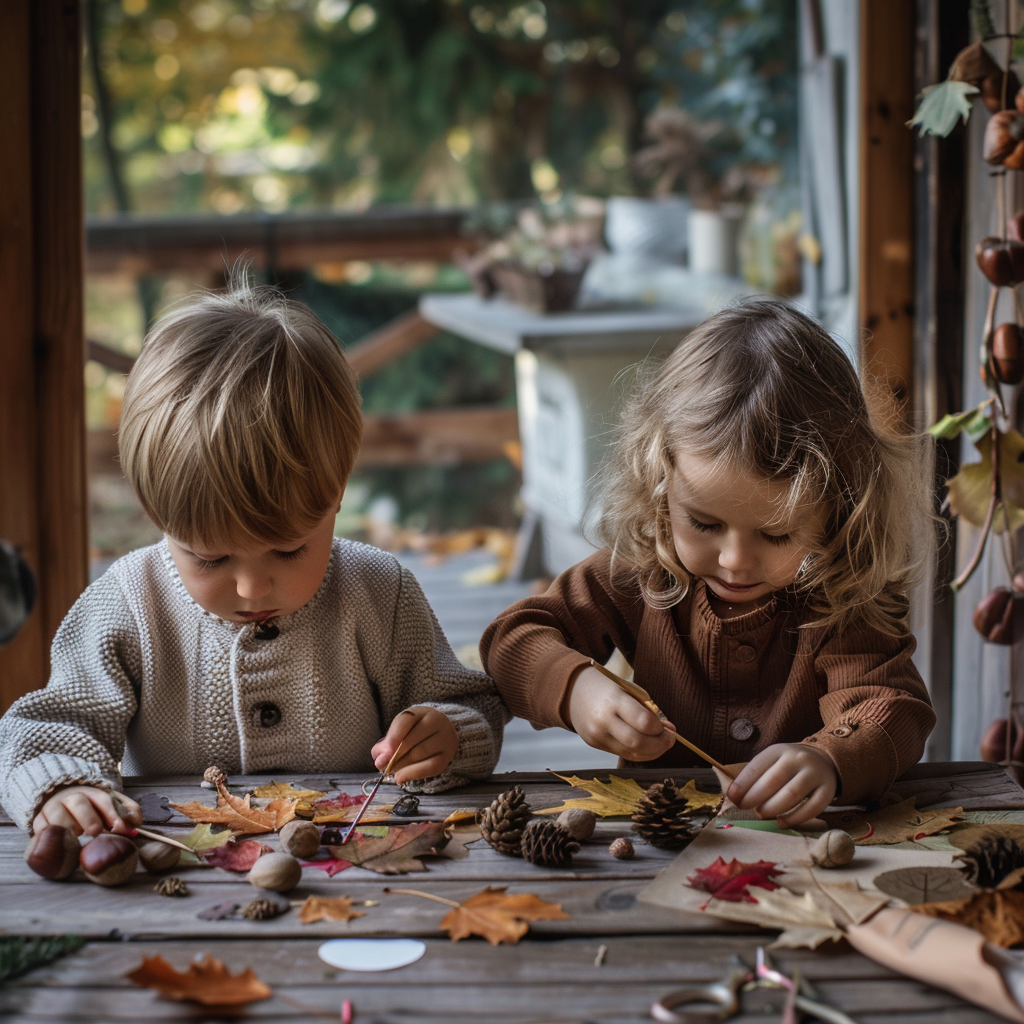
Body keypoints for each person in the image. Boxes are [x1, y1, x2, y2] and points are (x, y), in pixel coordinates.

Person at [0, 278, 507, 837]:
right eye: (210, 559)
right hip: (184, 869)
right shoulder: (127, 605)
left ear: (337, 494)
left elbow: (472, 709)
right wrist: (62, 784)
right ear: (157, 516)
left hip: (354, 857)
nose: (251, 588)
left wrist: (448, 736)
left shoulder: (378, 593)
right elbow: (48, 728)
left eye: (289, 549)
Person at [481, 297, 936, 828]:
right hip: (654, 840)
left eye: (776, 533)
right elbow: (513, 640)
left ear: (839, 507)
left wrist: (831, 760)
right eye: (703, 524)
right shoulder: (641, 572)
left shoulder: (841, 596)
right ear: (661, 485)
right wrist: (575, 688)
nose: (735, 561)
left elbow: (892, 707)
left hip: (804, 843)